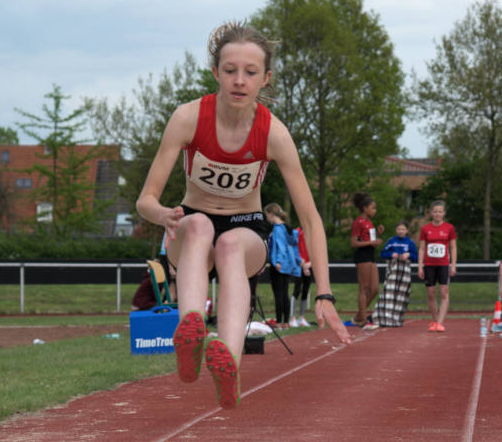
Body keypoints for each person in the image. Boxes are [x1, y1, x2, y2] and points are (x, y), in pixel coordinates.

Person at [135, 21, 352, 410]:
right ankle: (191, 332)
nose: (239, 80)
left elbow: (311, 218)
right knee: (200, 224)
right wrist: (164, 215)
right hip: (189, 227)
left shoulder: (274, 134)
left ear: (266, 78)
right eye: (230, 70)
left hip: (245, 228)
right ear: (215, 72)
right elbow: (145, 200)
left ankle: (228, 363)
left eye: (250, 72)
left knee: (231, 243)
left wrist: (325, 292)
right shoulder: (187, 118)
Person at [417, 200, 457, 332]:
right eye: (435, 211)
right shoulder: (425, 228)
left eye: (440, 211)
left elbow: (453, 247)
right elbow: (422, 248)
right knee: (431, 293)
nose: (437, 214)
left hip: (443, 264)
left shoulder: (449, 228)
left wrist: (453, 266)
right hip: (429, 264)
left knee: (444, 292)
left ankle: (440, 322)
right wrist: (420, 266)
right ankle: (435, 321)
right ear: (431, 213)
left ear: (444, 213)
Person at [371, 220, 418, 328]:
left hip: (404, 272)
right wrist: (392, 254)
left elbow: (416, 256)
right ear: (396, 230)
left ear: (407, 230)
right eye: (399, 229)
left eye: (403, 229)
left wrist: (409, 255)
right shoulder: (391, 241)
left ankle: (397, 319)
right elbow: (383, 253)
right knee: (389, 294)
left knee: (401, 295)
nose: (401, 231)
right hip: (393, 270)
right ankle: (384, 318)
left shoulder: (410, 242)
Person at [263, 203, 301, 328]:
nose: (267, 218)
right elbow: (292, 245)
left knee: (278, 294)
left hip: (279, 264)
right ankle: (286, 322)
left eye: (267, 215)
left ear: (271, 214)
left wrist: (278, 261)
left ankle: (279, 322)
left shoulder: (278, 229)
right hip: (288, 265)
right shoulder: (288, 228)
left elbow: (281, 246)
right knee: (285, 293)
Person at [350, 192, 384, 331]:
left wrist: (378, 235)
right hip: (362, 256)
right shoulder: (358, 222)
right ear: (365, 208)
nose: (374, 210)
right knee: (364, 289)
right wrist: (372, 241)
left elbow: (371, 242)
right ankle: (363, 321)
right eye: (372, 207)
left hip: (371, 255)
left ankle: (358, 317)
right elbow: (354, 243)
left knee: (375, 289)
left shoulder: (369, 222)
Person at [291, 225, 314, 328]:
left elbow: (316, 250)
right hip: (299, 264)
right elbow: (293, 248)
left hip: (309, 264)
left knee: (306, 290)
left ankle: (301, 317)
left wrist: (310, 263)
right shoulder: (296, 232)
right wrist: (302, 263)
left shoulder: (313, 232)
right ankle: (292, 318)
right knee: (297, 290)